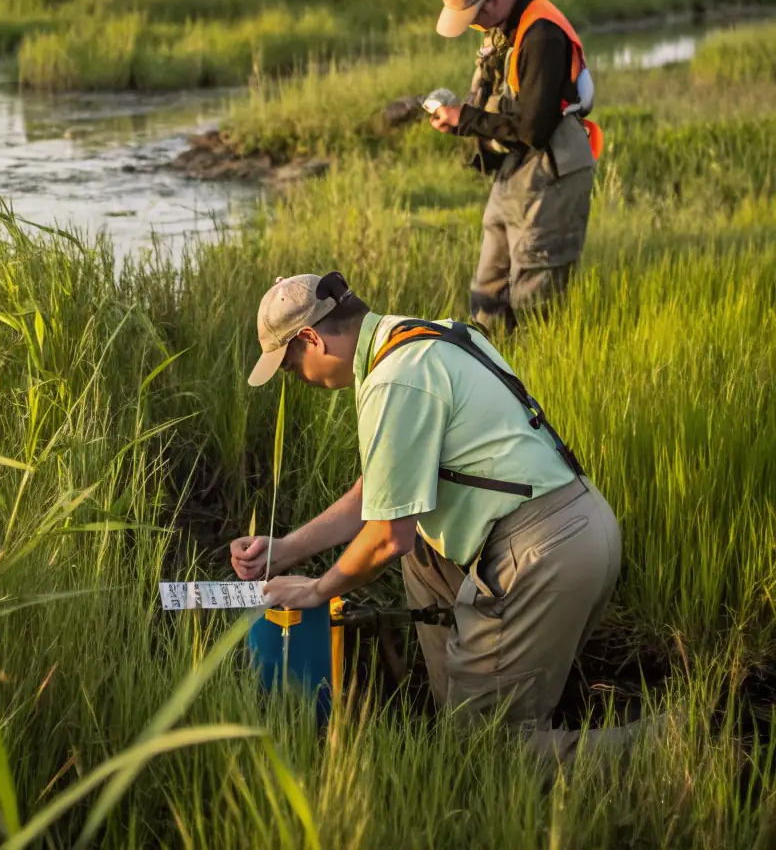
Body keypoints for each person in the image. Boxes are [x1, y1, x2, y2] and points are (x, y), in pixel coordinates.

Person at [231, 271, 635, 757]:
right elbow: (378, 495)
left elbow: (386, 537)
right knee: (422, 551)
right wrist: (286, 549)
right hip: (581, 525)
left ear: (311, 338)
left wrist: (317, 590)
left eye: (290, 366)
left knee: (491, 753)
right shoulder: (425, 336)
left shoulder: (392, 380)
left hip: (542, 553)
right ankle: (465, 702)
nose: (296, 379)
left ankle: (678, 743)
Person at [430, 0, 601, 332]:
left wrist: (466, 119)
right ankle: (488, 368)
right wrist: (460, 122)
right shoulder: (506, 27)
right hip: (516, 169)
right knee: (487, 290)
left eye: (473, 17)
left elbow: (533, 129)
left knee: (534, 294)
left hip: (553, 171)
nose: (474, 26)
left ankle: (540, 373)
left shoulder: (542, 35)